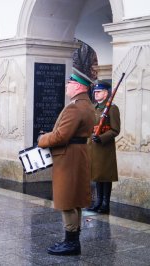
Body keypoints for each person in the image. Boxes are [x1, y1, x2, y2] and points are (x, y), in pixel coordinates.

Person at [37, 70, 95, 256]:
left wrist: (43, 139)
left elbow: (61, 136)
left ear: (78, 87)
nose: (66, 86)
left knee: (67, 199)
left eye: (69, 83)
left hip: (68, 156)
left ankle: (71, 243)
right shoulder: (87, 105)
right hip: (78, 155)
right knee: (75, 198)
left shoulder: (75, 107)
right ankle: (72, 240)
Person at [87, 80, 120, 214]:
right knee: (97, 176)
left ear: (106, 93)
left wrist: (101, 137)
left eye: (99, 91)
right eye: (95, 91)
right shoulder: (95, 108)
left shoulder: (112, 108)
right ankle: (97, 202)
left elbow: (115, 130)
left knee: (105, 176)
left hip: (105, 148)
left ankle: (105, 204)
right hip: (94, 148)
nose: (96, 93)